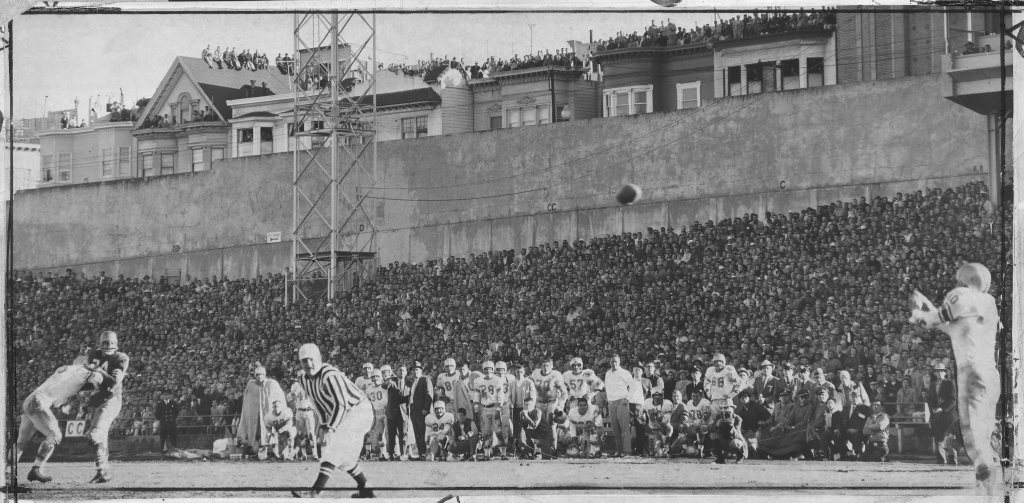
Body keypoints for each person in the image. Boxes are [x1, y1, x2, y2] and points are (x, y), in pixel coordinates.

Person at [910, 263, 1002, 495]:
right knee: (983, 438)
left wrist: (917, 313)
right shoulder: (988, 303)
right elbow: (955, 329)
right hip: (991, 375)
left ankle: (990, 494)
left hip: (971, 374)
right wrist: (929, 308)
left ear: (964, 280)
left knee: (975, 443)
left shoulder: (960, 294)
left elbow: (931, 321)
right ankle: (986, 487)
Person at [291, 343, 374, 499]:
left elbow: (341, 404)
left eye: (311, 359)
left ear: (319, 359)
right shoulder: (303, 378)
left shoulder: (329, 375)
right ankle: (366, 488)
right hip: (343, 413)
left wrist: (330, 429)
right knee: (342, 455)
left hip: (358, 409)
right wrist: (323, 426)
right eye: (304, 361)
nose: (309, 364)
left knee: (334, 447)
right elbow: (318, 404)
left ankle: (315, 492)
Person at [13, 352, 102, 484]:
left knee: (21, 442)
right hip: (39, 402)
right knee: (55, 436)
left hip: (30, 400)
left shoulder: (65, 370)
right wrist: (101, 378)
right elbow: (97, 380)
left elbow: (65, 391)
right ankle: (36, 469)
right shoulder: (82, 371)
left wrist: (71, 401)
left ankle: (7, 472)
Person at [83, 330, 129, 483]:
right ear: (100, 344)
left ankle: (103, 471)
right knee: (98, 437)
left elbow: (114, 382)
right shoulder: (94, 355)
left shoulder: (120, 357)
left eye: (111, 343)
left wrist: (99, 371)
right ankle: (103, 471)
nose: (108, 345)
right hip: (96, 400)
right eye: (105, 343)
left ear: (116, 344)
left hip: (111, 399)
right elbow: (89, 381)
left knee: (94, 434)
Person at [238, 365, 287, 458]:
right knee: (257, 433)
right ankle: (258, 451)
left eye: (262, 375)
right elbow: (247, 402)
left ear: (265, 375)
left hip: (269, 413)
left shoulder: (272, 384)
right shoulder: (251, 385)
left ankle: (273, 451)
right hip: (256, 415)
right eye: (257, 375)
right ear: (255, 375)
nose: (259, 377)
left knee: (272, 431)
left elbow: (279, 397)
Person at [604, 354, 634, 457]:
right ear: (610, 362)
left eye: (616, 361)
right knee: (616, 428)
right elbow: (608, 388)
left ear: (619, 361)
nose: (614, 363)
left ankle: (627, 451)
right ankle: (619, 450)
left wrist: (627, 398)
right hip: (611, 401)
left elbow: (633, 386)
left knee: (624, 427)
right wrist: (608, 400)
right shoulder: (607, 373)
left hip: (622, 401)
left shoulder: (624, 373)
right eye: (612, 361)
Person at [408, 361, 433, 460]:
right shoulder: (413, 382)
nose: (415, 371)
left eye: (417, 369)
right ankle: (420, 453)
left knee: (423, 432)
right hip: (414, 410)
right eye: (413, 370)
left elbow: (429, 395)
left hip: (422, 410)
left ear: (421, 371)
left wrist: (425, 408)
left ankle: (425, 453)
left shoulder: (425, 380)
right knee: (417, 432)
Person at [382, 364, 408, 460]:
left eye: (403, 370)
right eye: (400, 370)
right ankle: (391, 454)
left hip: (403, 411)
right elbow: (384, 385)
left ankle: (403, 454)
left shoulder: (409, 382)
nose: (401, 372)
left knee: (403, 434)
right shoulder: (392, 380)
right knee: (391, 434)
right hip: (391, 411)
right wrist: (387, 381)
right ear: (397, 372)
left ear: (406, 372)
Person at [704, 353, 741, 420]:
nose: (718, 363)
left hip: (725, 400)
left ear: (724, 362)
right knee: (713, 421)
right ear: (713, 362)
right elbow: (706, 384)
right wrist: (709, 394)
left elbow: (739, 383)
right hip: (714, 400)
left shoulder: (729, 369)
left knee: (727, 421)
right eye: (716, 361)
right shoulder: (710, 370)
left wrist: (732, 394)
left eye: (720, 361)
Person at [363, 369, 389, 460]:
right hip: (377, 413)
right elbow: (368, 401)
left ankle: (392, 453)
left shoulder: (385, 386)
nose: (375, 379)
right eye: (373, 377)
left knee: (388, 434)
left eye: (377, 376)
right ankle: (380, 453)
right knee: (376, 434)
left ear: (381, 377)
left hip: (386, 411)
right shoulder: (369, 388)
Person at [289, 382, 316, 460]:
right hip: (299, 411)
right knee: (301, 434)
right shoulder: (295, 385)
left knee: (311, 433)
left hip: (308, 411)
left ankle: (315, 454)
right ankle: (304, 454)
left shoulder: (310, 385)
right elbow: (292, 394)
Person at [155, 391, 181, 456]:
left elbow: (176, 412)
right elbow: (157, 414)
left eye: (167, 394)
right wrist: (162, 419)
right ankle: (163, 452)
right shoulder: (160, 404)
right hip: (164, 424)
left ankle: (174, 451)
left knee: (173, 438)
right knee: (163, 438)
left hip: (171, 424)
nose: (166, 396)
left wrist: (172, 419)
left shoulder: (173, 403)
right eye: (164, 394)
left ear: (169, 395)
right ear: (162, 396)